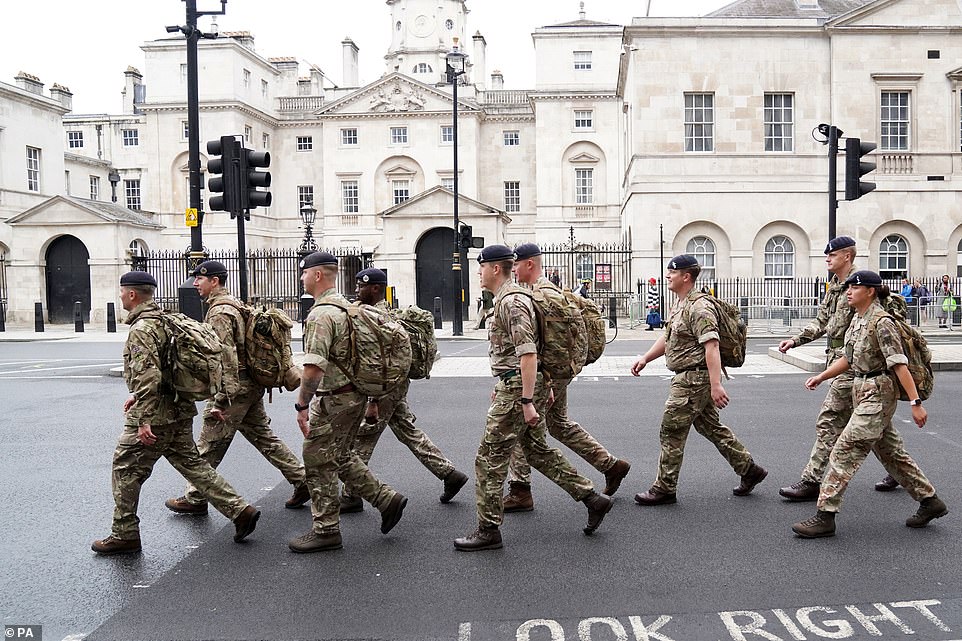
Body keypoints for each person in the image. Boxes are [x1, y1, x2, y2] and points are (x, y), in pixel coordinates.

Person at [453, 244, 613, 551]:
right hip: (518, 385)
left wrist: (526, 399)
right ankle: (592, 499)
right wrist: (514, 382)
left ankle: (488, 530)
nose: (478, 272)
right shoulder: (515, 298)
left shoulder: (511, 302)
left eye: (481, 266)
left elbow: (528, 353)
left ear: (495, 268)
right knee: (537, 450)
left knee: (489, 459)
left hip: (519, 391)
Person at [92, 271, 260, 555]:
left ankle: (125, 533)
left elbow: (148, 376)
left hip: (156, 416)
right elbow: (168, 368)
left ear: (132, 294)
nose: (120, 296)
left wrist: (143, 418)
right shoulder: (166, 320)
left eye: (122, 292)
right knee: (194, 464)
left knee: (125, 469)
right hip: (179, 409)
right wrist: (139, 398)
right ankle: (240, 510)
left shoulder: (142, 329)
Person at [792, 270, 948, 538]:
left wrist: (915, 402)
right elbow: (849, 359)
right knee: (891, 453)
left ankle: (825, 515)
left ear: (871, 291)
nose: (849, 291)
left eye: (855, 287)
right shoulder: (858, 320)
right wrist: (821, 376)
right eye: (849, 287)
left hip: (877, 395)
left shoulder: (881, 322)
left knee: (844, 449)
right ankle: (930, 501)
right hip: (861, 390)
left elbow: (899, 365)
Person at [164, 260, 310, 516]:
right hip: (249, 384)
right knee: (263, 436)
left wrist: (221, 399)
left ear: (215, 281)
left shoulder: (220, 312)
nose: (195, 283)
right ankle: (302, 479)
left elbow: (225, 358)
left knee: (209, 444)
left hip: (234, 389)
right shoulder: (234, 303)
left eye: (200, 278)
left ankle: (195, 496)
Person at [289, 251, 407, 553]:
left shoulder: (321, 314)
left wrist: (302, 405)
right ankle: (385, 499)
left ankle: (326, 529)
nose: (301, 278)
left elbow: (313, 367)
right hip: (354, 395)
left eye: (304, 273)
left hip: (335, 398)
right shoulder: (347, 308)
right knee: (339, 455)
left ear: (317, 275)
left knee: (316, 458)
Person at [500, 243, 630, 513]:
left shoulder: (538, 297)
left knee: (523, 430)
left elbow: (539, 346)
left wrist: (541, 382)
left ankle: (520, 490)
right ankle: (610, 465)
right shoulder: (554, 292)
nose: (513, 269)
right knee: (557, 424)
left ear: (530, 265)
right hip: (558, 373)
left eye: (517, 263)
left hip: (545, 375)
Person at [630, 254, 767, 506]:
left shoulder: (699, 306)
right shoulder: (681, 304)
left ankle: (664, 487)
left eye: (673, 272)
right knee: (710, 427)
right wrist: (646, 358)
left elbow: (712, 345)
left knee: (671, 430)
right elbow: (669, 338)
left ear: (686, 276)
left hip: (693, 379)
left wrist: (716, 385)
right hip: (691, 377)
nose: (668, 276)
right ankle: (749, 469)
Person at [339, 267, 469, 513]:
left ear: (376, 288)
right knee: (407, 430)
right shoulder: (385, 312)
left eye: (361, 285)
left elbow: (375, 361)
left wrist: (374, 400)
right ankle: (449, 474)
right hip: (395, 384)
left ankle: (351, 493)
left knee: (364, 437)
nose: (356, 289)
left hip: (384, 387)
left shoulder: (372, 317)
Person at [777, 236, 861, 501]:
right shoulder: (836, 285)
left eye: (832, 255)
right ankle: (900, 470)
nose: (827, 259)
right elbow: (823, 320)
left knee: (830, 419)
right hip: (836, 357)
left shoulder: (860, 285)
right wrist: (795, 340)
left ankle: (811, 480)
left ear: (847, 256)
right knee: (875, 424)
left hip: (851, 362)